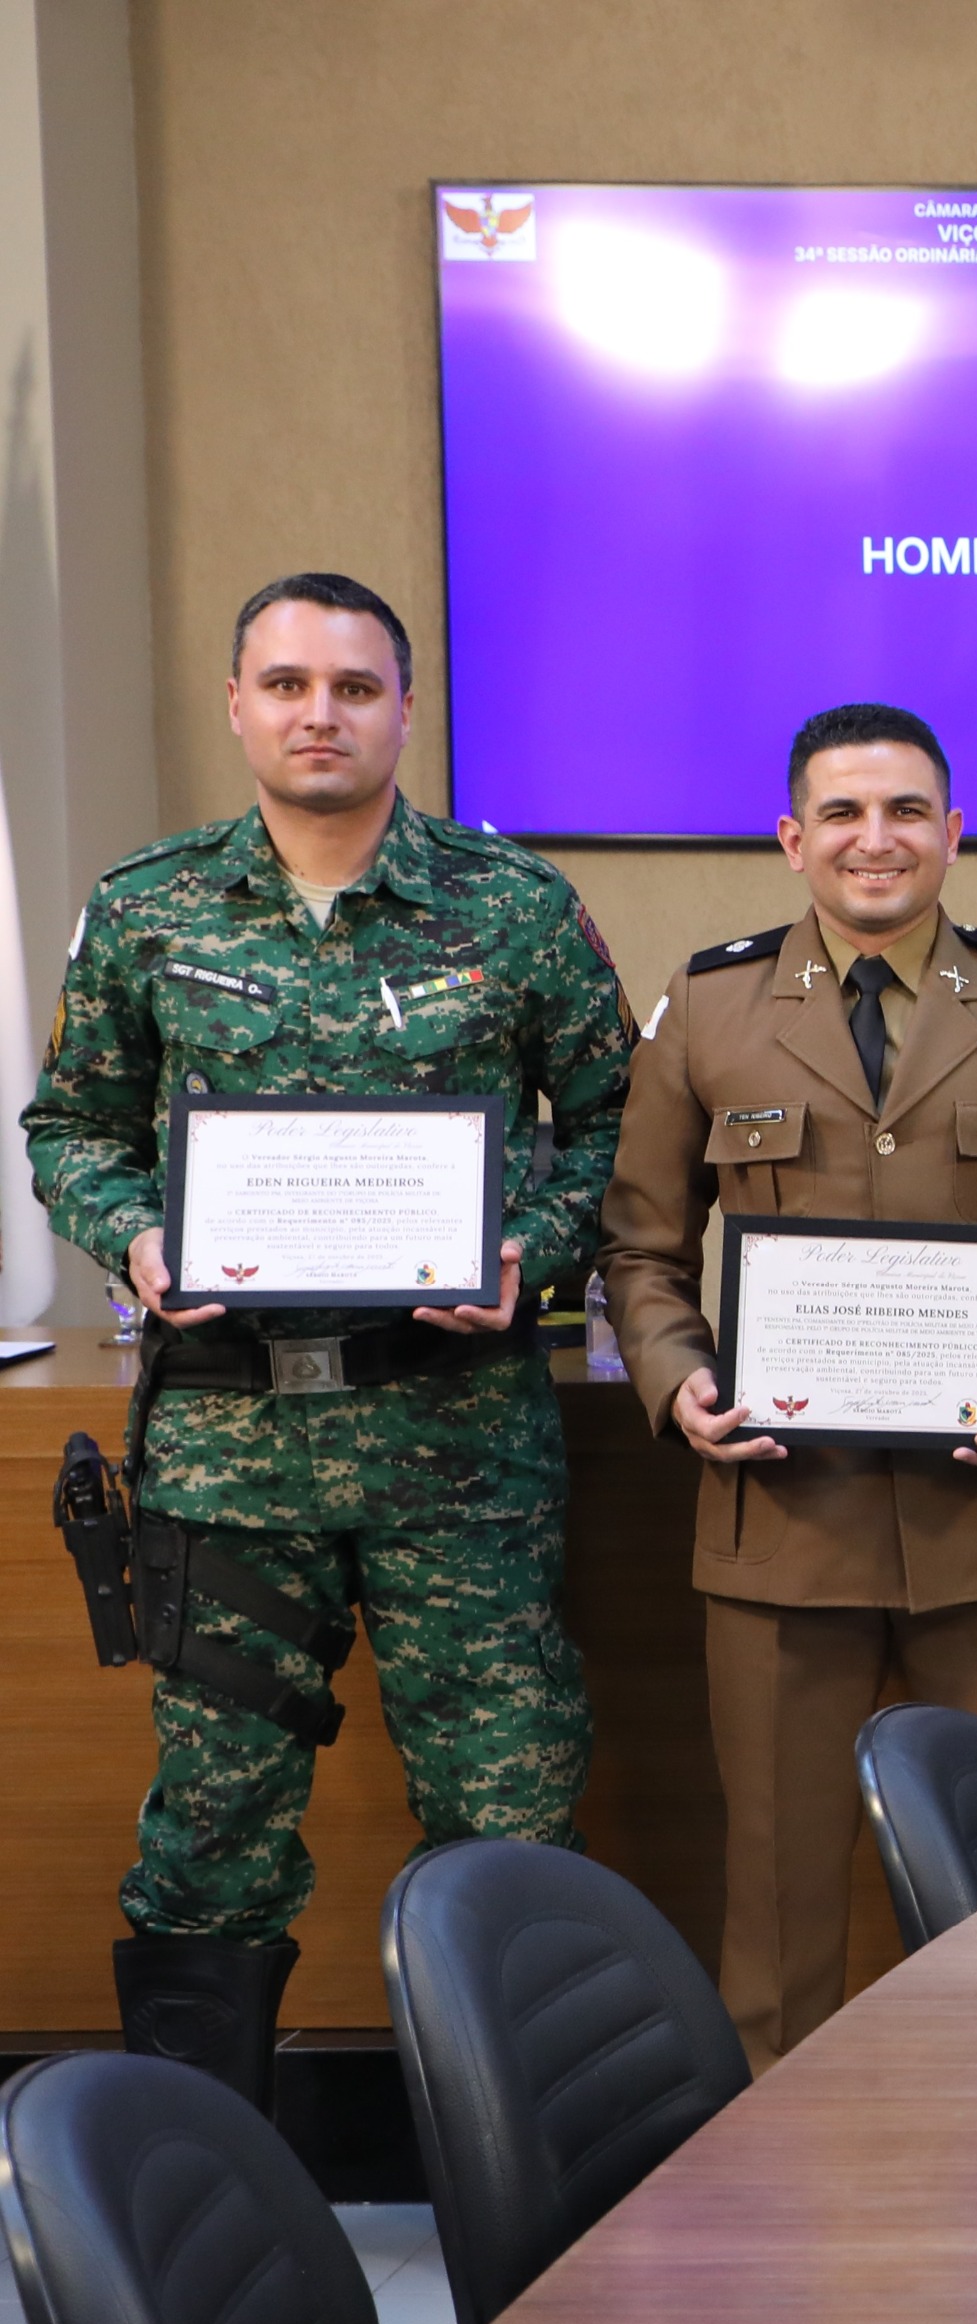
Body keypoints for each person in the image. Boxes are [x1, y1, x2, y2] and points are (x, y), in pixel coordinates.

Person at [21, 571, 632, 2109]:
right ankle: (195, 2179)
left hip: (458, 1445)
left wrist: (529, 1253)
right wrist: (139, 1236)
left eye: (354, 688)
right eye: (286, 684)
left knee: (508, 1811)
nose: (319, 714)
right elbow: (72, 1124)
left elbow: (616, 1123)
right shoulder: (147, 906)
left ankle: (531, 2178)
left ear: (405, 711)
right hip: (232, 1451)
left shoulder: (516, 906)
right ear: (237, 705)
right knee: (214, 1819)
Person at [599, 703, 977, 2064]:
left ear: (954, 833)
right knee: (778, 1925)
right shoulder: (710, 1010)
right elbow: (640, 1247)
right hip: (782, 1526)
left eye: (906, 811)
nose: (874, 839)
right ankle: (774, 2229)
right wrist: (677, 1383)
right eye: (842, 812)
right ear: (793, 840)